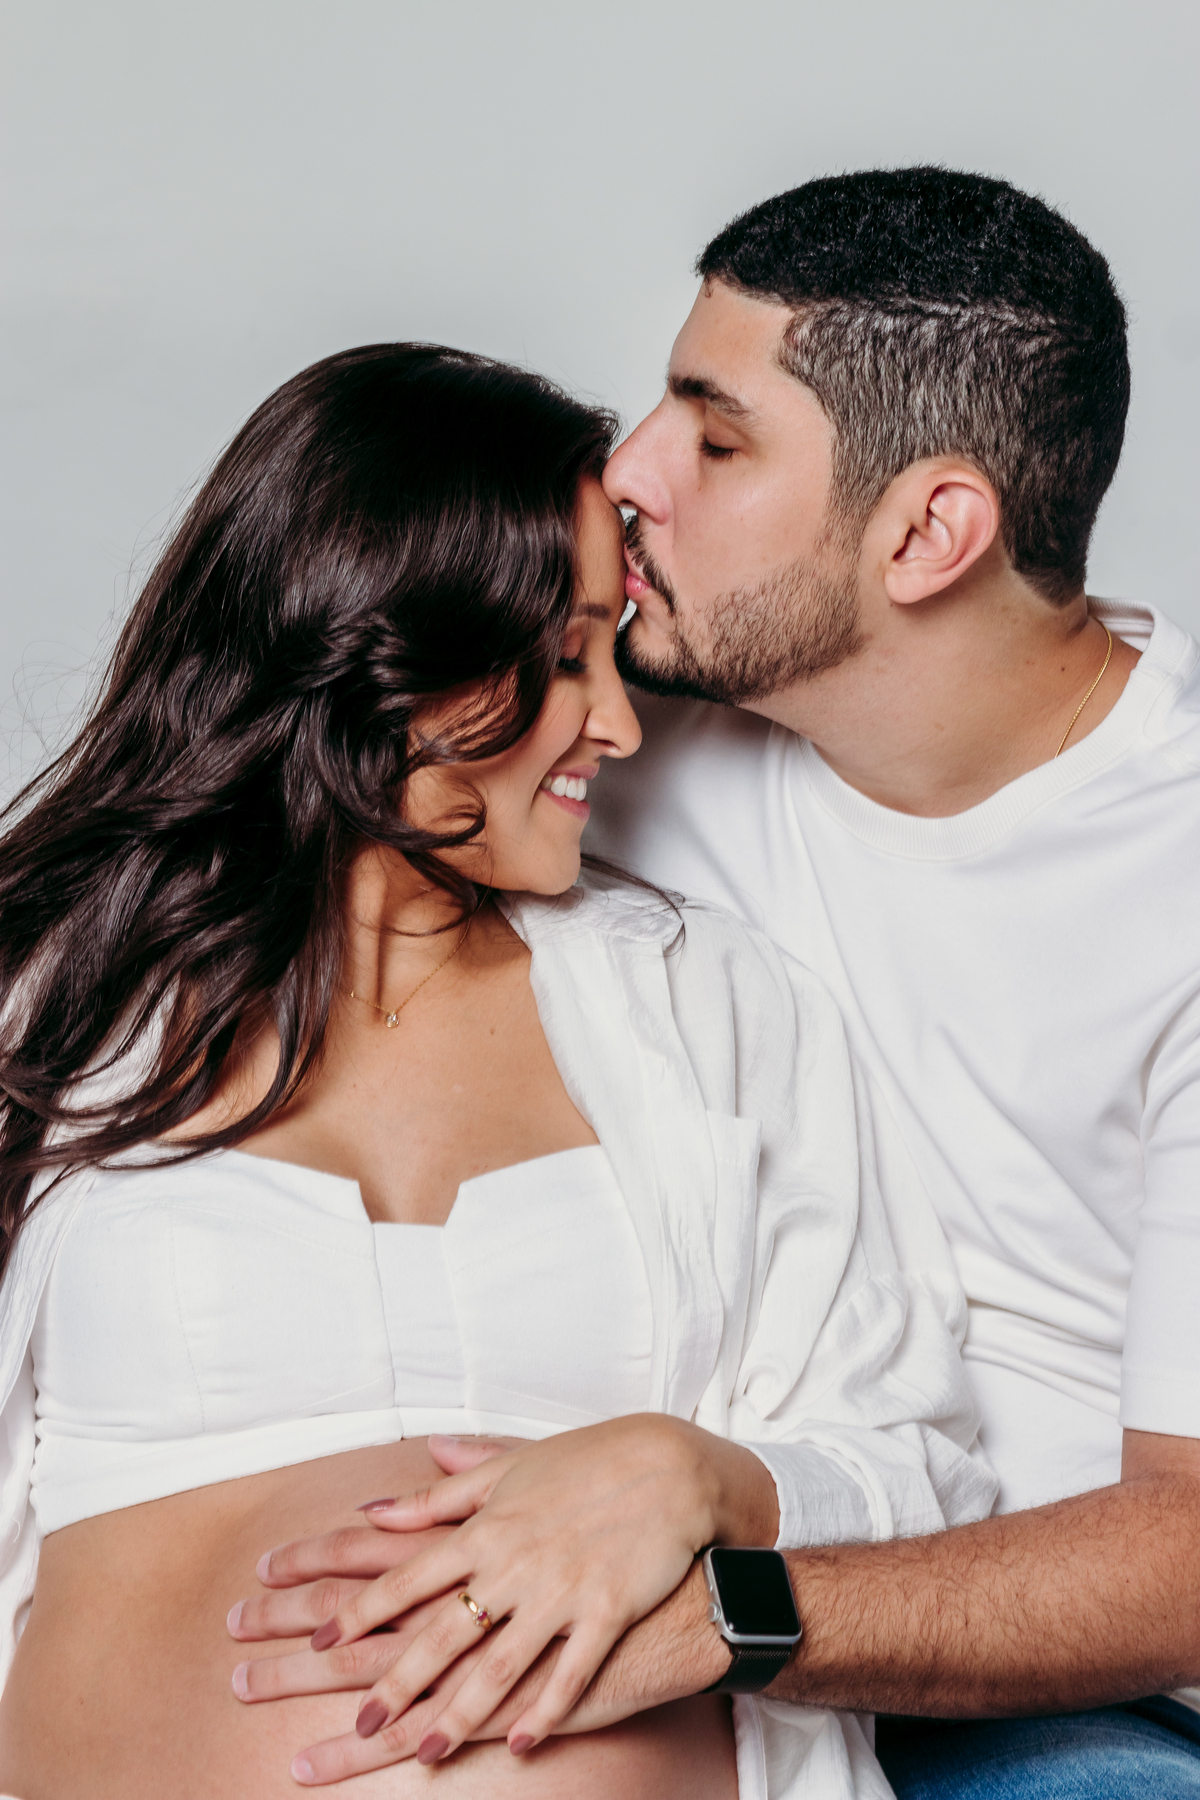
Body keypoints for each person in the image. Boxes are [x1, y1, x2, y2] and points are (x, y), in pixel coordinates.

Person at [238, 171, 1200, 1797]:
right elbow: (256, 783)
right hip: (652, 1555)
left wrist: (729, 1610)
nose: (628, 474)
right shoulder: (607, 728)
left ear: (928, 534)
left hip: (1053, 1689)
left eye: (717, 437)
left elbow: (1189, 1552)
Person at [0, 341, 991, 1800]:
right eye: (568, 656)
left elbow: (919, 1469)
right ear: (387, 651)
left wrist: (705, 1476)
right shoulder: (53, 1004)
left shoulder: (708, 1008)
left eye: (616, 650)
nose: (622, 722)